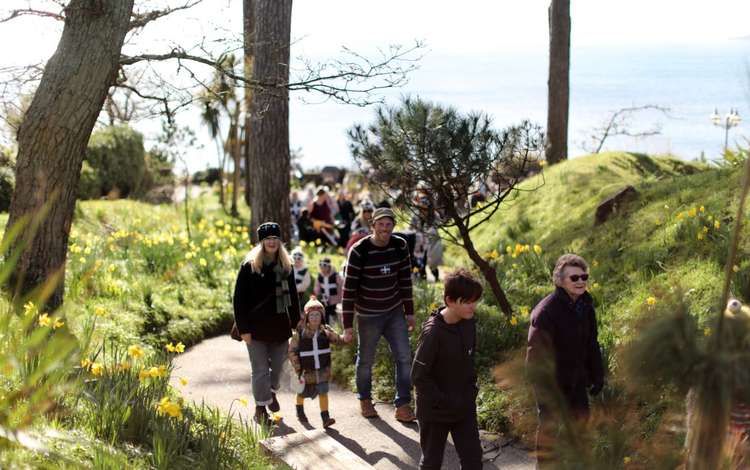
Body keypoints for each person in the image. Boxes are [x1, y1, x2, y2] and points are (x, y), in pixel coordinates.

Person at [526, 253, 604, 467]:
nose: (580, 281)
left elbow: (591, 343)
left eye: (584, 276)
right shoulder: (546, 311)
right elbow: (536, 355)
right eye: (574, 278)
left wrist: (597, 374)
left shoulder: (585, 305)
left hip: (576, 380)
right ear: (560, 281)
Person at [342, 207, 417, 422]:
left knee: (404, 357)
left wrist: (409, 313)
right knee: (365, 360)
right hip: (368, 315)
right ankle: (365, 400)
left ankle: (402, 405)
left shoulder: (400, 246)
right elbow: (348, 291)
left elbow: (404, 281)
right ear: (372, 226)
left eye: (389, 224)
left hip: (394, 312)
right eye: (380, 224)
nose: (385, 228)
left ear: (393, 226)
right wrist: (348, 325)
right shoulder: (359, 250)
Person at [411, 268, 484, 470]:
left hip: (464, 408)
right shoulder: (433, 333)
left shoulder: (469, 323)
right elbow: (418, 376)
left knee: (473, 461)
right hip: (435, 412)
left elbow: (470, 360)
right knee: (431, 463)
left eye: (475, 300)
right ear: (450, 300)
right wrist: (444, 401)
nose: (473, 306)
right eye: (467, 302)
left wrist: (470, 392)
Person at [233, 222, 301, 426]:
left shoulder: (286, 266)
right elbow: (239, 300)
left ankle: (270, 392)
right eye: (268, 239)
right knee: (260, 369)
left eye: (275, 239)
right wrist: (243, 329)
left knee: (279, 367)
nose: (272, 242)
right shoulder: (249, 267)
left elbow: (294, 299)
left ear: (280, 241)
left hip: (279, 328)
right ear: (261, 242)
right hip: (255, 329)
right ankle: (261, 408)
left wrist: (297, 324)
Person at [288, 296, 345, 428]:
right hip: (306, 371)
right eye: (311, 315)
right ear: (307, 317)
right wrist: (297, 367)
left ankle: (325, 417)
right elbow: (292, 351)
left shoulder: (325, 331)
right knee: (302, 393)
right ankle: (300, 411)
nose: (314, 318)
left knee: (323, 392)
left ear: (322, 317)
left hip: (323, 370)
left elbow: (337, 339)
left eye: (317, 315)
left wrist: (345, 338)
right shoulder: (300, 333)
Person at [313, 257, 343, 326]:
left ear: (329, 267)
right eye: (321, 266)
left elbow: (341, 286)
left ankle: (337, 327)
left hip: (335, 300)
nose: (322, 268)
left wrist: (341, 297)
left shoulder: (335, 275)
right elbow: (317, 286)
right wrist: (317, 292)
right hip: (325, 300)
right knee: (325, 314)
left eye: (324, 266)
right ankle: (327, 327)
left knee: (335, 314)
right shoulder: (320, 276)